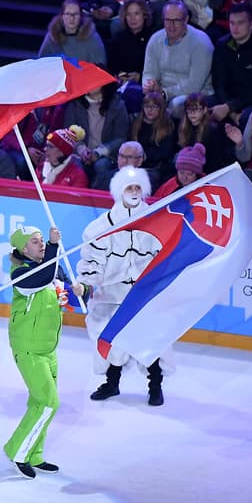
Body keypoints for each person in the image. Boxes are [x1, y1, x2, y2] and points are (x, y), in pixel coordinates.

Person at [77, 166, 166, 405]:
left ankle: (155, 386)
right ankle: (111, 383)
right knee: (110, 339)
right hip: (112, 296)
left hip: (143, 295)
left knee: (151, 340)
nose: (134, 192)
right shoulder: (101, 227)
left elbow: (165, 257)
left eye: (138, 187)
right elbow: (93, 262)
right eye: (130, 187)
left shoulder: (157, 220)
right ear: (119, 191)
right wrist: (85, 285)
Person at [4, 225, 66, 478]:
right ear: (22, 249)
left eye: (41, 241)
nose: (40, 244)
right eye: (35, 242)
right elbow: (43, 277)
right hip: (29, 348)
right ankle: (17, 451)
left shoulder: (51, 269)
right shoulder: (22, 274)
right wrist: (53, 246)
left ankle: (35, 453)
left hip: (49, 348)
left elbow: (63, 280)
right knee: (49, 402)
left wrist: (80, 289)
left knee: (39, 403)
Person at [37, 0, 107, 67]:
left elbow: (100, 66)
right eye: (68, 14)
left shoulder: (92, 36)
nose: (72, 18)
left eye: (75, 14)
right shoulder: (53, 35)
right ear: (62, 16)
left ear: (81, 16)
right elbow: (41, 62)